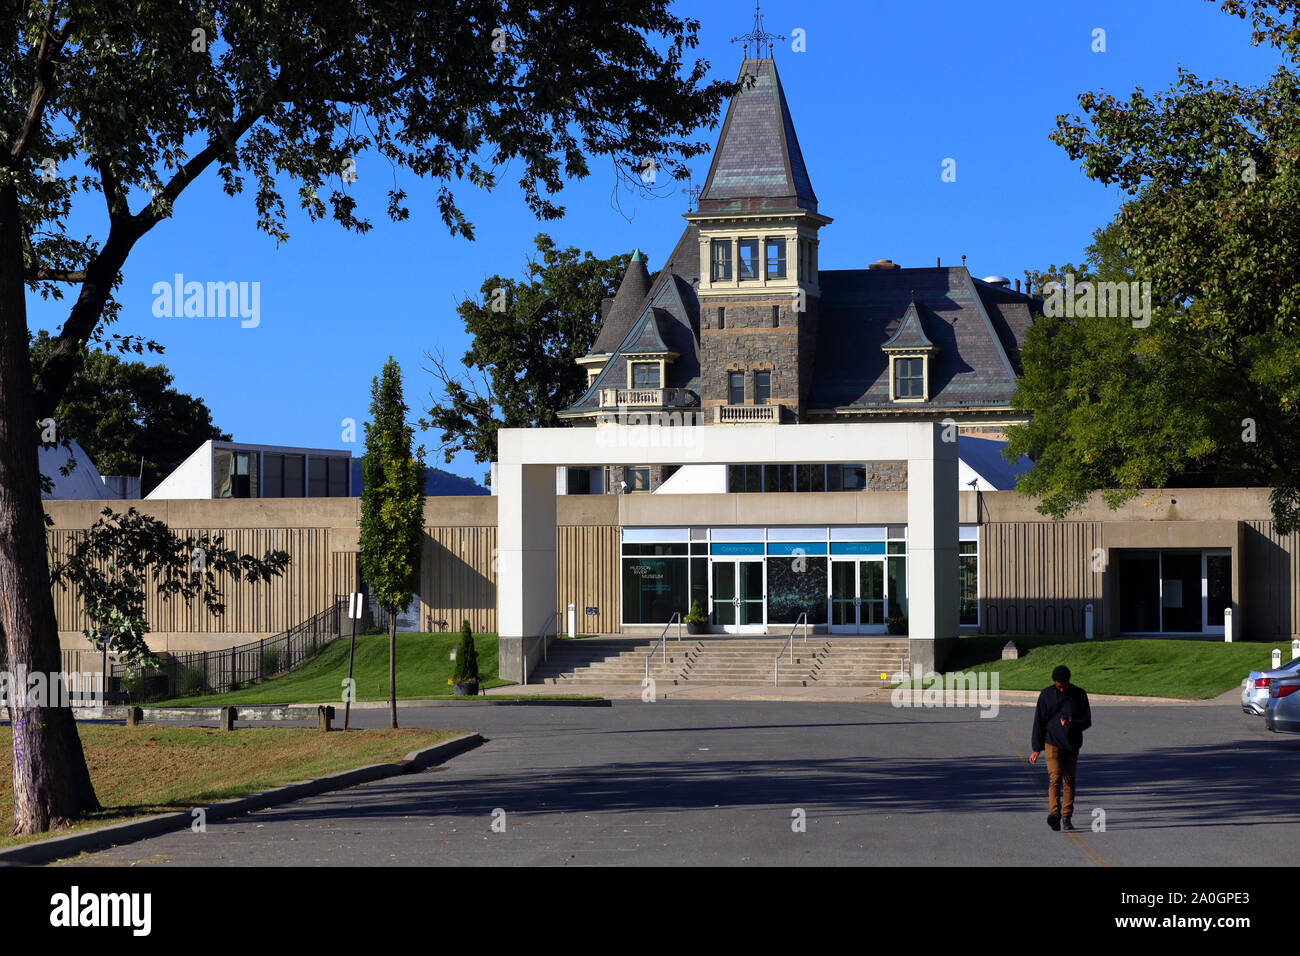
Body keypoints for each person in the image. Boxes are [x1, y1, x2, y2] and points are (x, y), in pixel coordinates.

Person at [1029, 664, 1092, 831]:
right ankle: (1055, 814)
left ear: (1069, 681)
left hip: (1072, 744)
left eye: (1064, 685)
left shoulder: (1079, 695)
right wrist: (1037, 747)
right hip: (1052, 743)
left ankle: (1067, 817)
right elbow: (1039, 722)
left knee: (1069, 781)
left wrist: (1073, 723)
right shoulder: (1046, 695)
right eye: (1058, 686)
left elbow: (1087, 721)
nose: (1062, 689)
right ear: (1054, 683)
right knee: (1055, 778)